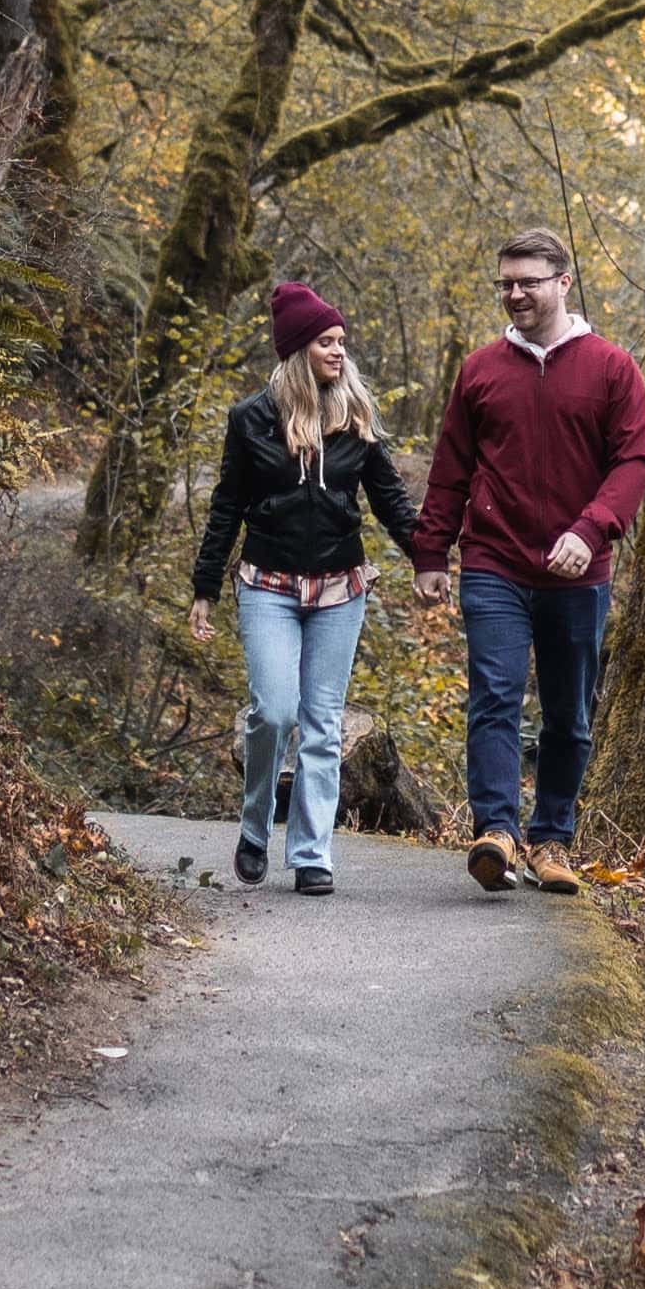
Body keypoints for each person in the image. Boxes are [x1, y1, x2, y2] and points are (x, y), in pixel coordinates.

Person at [411, 224, 645, 897]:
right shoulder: (480, 370)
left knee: (568, 714)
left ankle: (550, 841)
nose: (514, 294)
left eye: (527, 282)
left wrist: (592, 528)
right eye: (505, 284)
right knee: (493, 695)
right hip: (494, 562)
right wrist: (431, 549)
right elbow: (450, 469)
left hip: (579, 574)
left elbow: (633, 461)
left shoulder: (610, 367)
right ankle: (495, 832)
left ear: (562, 283)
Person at [188, 283, 425, 896]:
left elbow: (391, 501)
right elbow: (226, 507)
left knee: (322, 723)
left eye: (342, 342)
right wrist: (204, 586)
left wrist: (430, 556)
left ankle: (312, 853)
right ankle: (255, 826)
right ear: (298, 350)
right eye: (327, 342)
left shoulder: (356, 417)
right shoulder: (250, 420)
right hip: (267, 583)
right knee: (273, 711)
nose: (339, 352)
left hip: (340, 588)